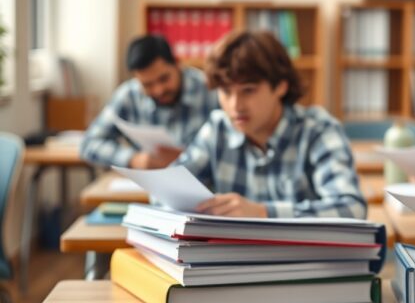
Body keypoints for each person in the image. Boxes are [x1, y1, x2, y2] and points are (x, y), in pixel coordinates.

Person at [174, 30, 365, 219]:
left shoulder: (318, 130)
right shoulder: (218, 128)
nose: (235, 105)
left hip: (302, 250)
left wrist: (263, 213)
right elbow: (169, 192)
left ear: (281, 86)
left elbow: (352, 210)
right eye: (225, 92)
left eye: (248, 91)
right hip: (231, 249)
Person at [80, 35, 218, 169]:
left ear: (177, 63)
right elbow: (89, 144)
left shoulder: (211, 90)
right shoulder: (129, 95)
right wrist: (133, 159)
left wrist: (193, 158)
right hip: (147, 185)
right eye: (147, 84)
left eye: (164, 79)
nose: (158, 90)